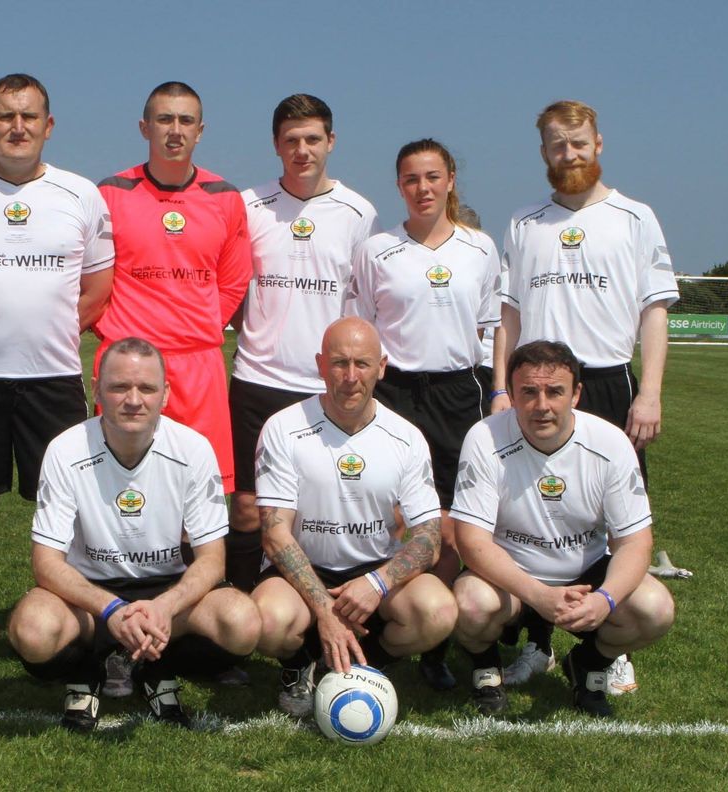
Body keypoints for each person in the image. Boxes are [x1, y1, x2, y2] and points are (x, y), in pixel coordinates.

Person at [0, 73, 114, 696]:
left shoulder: (80, 194)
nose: (17, 127)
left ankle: (82, 637)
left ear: (48, 125)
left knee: (74, 519)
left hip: (53, 383)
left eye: (29, 116)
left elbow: (99, 287)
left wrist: (60, 333)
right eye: (4, 116)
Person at [499, 100, 679, 693]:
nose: (568, 154)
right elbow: (509, 315)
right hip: (537, 389)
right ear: (544, 151)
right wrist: (504, 390)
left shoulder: (635, 217)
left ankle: (607, 646)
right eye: (556, 144)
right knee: (531, 515)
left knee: (613, 521)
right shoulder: (525, 222)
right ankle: (537, 643)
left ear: (598, 143)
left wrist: (648, 392)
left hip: (605, 381)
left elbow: (655, 310)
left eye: (577, 143)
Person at [7, 337, 261, 732]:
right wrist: (111, 611)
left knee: (242, 622)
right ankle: (92, 670)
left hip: (166, 591)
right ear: (97, 389)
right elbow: (45, 564)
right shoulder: (64, 449)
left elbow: (212, 559)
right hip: (89, 597)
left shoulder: (193, 449)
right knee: (32, 629)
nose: (133, 399)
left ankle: (149, 666)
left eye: (146, 388)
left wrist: (163, 607)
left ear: (166, 394)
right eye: (119, 386)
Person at [346, 139, 503, 690]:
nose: (423, 188)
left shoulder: (480, 249)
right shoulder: (376, 250)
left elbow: (490, 330)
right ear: (399, 186)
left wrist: (495, 390)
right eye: (411, 179)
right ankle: (389, 626)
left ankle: (439, 645)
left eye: (433, 177)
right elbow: (360, 329)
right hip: (395, 394)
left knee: (456, 526)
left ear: (451, 179)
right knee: (400, 521)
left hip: (459, 394)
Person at [451, 340, 674, 717]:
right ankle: (486, 670)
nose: (542, 405)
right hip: (512, 576)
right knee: (469, 604)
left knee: (655, 610)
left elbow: (635, 544)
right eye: (529, 392)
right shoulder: (484, 437)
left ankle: (589, 663)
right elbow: (472, 542)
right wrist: (538, 596)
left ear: (576, 394)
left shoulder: (611, 443)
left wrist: (603, 600)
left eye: (555, 391)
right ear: (513, 392)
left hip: (585, 574)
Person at [251, 317, 457, 717]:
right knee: (267, 621)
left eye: (361, 364)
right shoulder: (284, 428)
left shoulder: (406, 437)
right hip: (303, 570)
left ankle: (365, 665)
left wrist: (377, 583)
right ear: (320, 364)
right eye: (338, 363)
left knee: (438, 611)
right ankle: (298, 666)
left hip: (372, 574)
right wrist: (325, 610)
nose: (349, 377)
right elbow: (275, 535)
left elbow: (429, 538)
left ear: (381, 367)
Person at [227, 93, 380, 596]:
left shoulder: (359, 212)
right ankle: (246, 613)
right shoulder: (248, 206)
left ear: (330, 142)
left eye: (312, 139)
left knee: (320, 504)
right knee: (250, 506)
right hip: (256, 378)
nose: (302, 150)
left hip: (325, 385)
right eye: (291, 140)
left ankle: (322, 606)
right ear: (276, 145)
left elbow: (361, 300)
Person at [95, 81, 251, 496]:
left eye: (186, 121)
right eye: (164, 119)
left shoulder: (225, 196)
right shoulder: (110, 193)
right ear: (145, 128)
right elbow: (90, 277)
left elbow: (233, 281)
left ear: (200, 130)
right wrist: (117, 331)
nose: (175, 130)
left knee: (203, 493)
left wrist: (194, 327)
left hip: (198, 365)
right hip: (128, 363)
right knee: (122, 488)